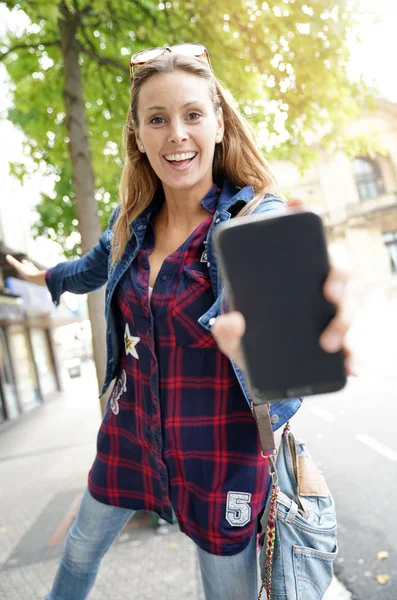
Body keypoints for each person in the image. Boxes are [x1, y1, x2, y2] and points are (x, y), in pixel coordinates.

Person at [7, 43, 353, 600]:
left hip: (219, 454)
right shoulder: (128, 225)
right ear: (138, 137)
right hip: (130, 436)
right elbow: (82, 272)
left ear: (218, 122)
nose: (177, 135)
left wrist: (317, 294)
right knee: (77, 550)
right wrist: (29, 277)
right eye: (158, 120)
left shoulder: (248, 220)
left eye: (193, 114)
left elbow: (290, 274)